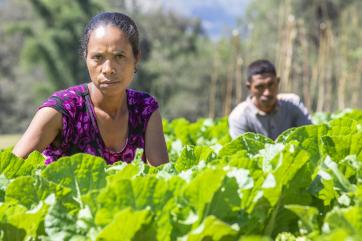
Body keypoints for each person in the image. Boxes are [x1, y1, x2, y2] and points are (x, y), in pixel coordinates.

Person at [13, 12, 169, 166]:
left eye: (119, 56)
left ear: (136, 59)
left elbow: (161, 177)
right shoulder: (61, 110)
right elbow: (9, 172)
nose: (108, 69)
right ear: (86, 58)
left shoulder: (145, 109)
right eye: (98, 57)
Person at [228, 59, 312, 140]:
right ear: (249, 87)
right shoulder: (239, 117)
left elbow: (311, 137)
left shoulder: (293, 103)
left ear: (278, 82)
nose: (267, 93)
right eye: (260, 87)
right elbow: (242, 152)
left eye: (271, 84)